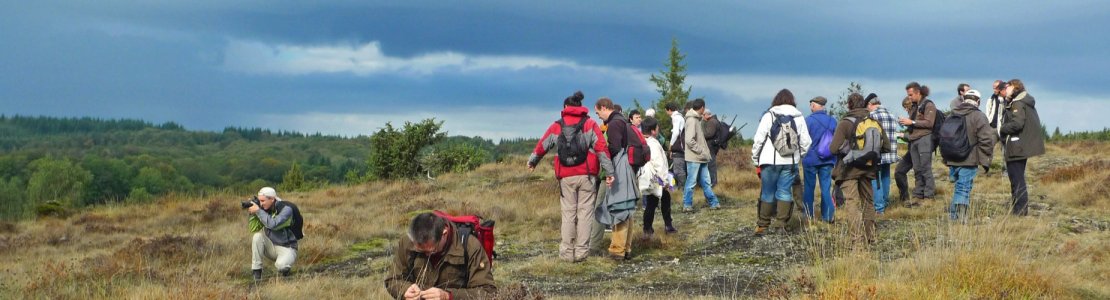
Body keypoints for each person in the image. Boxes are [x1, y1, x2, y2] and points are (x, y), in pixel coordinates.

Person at [527, 91, 615, 262]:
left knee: (568, 214)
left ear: (565, 107)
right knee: (585, 214)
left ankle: (567, 253)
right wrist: (609, 172)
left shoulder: (557, 125)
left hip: (565, 176)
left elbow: (543, 145)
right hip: (587, 175)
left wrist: (533, 161)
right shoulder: (589, 124)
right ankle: (581, 252)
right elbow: (601, 148)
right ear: (580, 106)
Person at [384, 213, 497, 300]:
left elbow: (488, 292)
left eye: (431, 251)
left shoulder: (470, 246)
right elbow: (393, 280)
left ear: (444, 233)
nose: (427, 255)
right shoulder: (408, 242)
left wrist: (448, 296)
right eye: (420, 251)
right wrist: (404, 290)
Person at [751, 89, 811, 235]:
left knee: (767, 192)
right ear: (792, 100)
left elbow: (759, 139)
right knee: (784, 191)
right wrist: (798, 156)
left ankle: (763, 225)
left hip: (769, 161)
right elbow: (806, 141)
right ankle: (780, 225)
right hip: (789, 161)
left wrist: (755, 158)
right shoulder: (798, 116)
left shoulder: (769, 115)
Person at [829, 93, 884, 244]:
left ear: (849, 105)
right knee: (868, 202)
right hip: (868, 168)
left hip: (848, 170)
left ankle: (856, 239)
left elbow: (833, 149)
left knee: (852, 202)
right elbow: (885, 146)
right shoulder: (874, 121)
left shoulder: (845, 123)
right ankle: (871, 237)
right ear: (865, 105)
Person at [593, 97, 639, 260]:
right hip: (627, 168)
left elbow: (614, 149)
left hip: (618, 170)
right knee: (626, 209)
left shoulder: (614, 124)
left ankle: (616, 250)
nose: (598, 116)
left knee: (618, 207)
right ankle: (626, 248)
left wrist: (609, 173)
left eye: (598, 112)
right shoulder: (623, 121)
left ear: (604, 107)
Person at [944, 90, 996, 222]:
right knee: (964, 187)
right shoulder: (979, 116)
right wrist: (985, 158)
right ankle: (961, 218)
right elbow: (987, 140)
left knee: (959, 186)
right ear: (978, 101)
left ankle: (954, 216)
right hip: (969, 158)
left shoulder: (952, 114)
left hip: (952, 157)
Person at [999, 79, 1045, 216]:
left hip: (1017, 146)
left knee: (1017, 180)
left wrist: (1002, 128)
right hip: (1020, 146)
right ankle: (1019, 210)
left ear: (1014, 87)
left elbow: (1017, 124)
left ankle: (1020, 211)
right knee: (1017, 178)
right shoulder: (1023, 102)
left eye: (1007, 86)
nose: (1005, 89)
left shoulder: (1018, 103)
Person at [898, 82, 938, 206]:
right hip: (914, 140)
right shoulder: (915, 106)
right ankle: (918, 194)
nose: (909, 97)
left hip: (925, 139)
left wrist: (912, 122)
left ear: (918, 93)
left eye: (910, 95)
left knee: (925, 168)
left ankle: (929, 195)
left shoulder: (929, 105)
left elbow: (929, 123)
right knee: (917, 169)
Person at [248, 187, 298, 281]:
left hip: (287, 248)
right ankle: (256, 272)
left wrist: (259, 211)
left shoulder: (286, 209)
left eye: (263, 200)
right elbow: (253, 228)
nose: (261, 203)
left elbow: (273, 224)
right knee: (257, 236)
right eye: (259, 201)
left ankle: (285, 270)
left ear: (272, 199)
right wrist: (253, 214)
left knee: (281, 266)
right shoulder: (264, 209)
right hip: (271, 246)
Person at [638, 117, 677, 238]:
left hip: (648, 177)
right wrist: (664, 181)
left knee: (656, 201)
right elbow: (658, 163)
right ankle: (651, 229)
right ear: (653, 130)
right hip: (657, 178)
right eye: (657, 127)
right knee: (654, 202)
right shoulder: (653, 144)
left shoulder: (641, 141)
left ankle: (653, 228)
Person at [683, 98, 722, 212]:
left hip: (701, 157)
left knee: (706, 182)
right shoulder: (691, 120)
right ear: (702, 108)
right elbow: (689, 140)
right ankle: (687, 205)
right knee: (691, 182)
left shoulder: (696, 119)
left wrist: (703, 153)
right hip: (695, 157)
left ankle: (714, 203)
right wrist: (701, 150)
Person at [802, 96, 837, 223]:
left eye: (811, 104)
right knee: (826, 188)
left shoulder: (807, 121)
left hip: (810, 159)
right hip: (827, 159)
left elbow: (803, 140)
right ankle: (828, 216)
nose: (810, 106)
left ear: (815, 106)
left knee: (809, 188)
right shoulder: (832, 121)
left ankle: (808, 216)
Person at [866, 94, 900, 214]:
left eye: (867, 106)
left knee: (875, 179)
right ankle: (885, 203)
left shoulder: (872, 116)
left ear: (870, 104)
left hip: (877, 153)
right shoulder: (891, 115)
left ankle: (879, 207)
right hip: (890, 152)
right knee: (885, 177)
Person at [893, 96, 915, 204]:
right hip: (912, 149)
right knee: (899, 171)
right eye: (904, 107)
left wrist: (902, 134)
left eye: (907, 107)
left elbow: (916, 134)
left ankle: (922, 199)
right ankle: (904, 199)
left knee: (921, 174)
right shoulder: (910, 117)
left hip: (919, 149)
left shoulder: (916, 115)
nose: (906, 110)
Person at [666, 102, 687, 190]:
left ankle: (683, 188)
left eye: (666, 111)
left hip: (678, 147)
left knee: (678, 170)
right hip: (681, 147)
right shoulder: (680, 116)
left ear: (669, 110)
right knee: (678, 168)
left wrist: (670, 145)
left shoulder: (676, 118)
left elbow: (676, 133)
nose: (666, 113)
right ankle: (681, 187)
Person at [703, 108, 722, 187]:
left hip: (711, 146)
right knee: (710, 164)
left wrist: (700, 135)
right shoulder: (714, 121)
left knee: (711, 165)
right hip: (712, 145)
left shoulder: (712, 122)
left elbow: (709, 134)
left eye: (703, 115)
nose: (702, 116)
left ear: (707, 115)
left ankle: (713, 183)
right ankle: (712, 182)